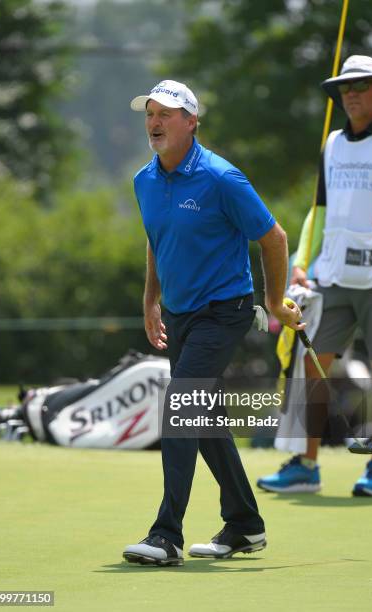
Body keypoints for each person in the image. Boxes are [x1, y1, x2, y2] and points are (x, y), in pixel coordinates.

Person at [123, 79, 303, 566]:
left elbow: (274, 238)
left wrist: (275, 300)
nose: (155, 123)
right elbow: (157, 240)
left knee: (182, 405)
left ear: (191, 122)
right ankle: (244, 523)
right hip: (179, 315)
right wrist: (150, 301)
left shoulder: (223, 179)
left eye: (166, 114)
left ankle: (166, 535)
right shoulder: (145, 180)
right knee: (202, 420)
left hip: (223, 312)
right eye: (150, 114)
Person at [257, 56, 372, 497]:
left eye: (360, 86)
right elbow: (319, 211)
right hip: (334, 269)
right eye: (345, 89)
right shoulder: (333, 143)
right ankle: (306, 464)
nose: (351, 95)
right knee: (312, 361)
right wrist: (302, 259)